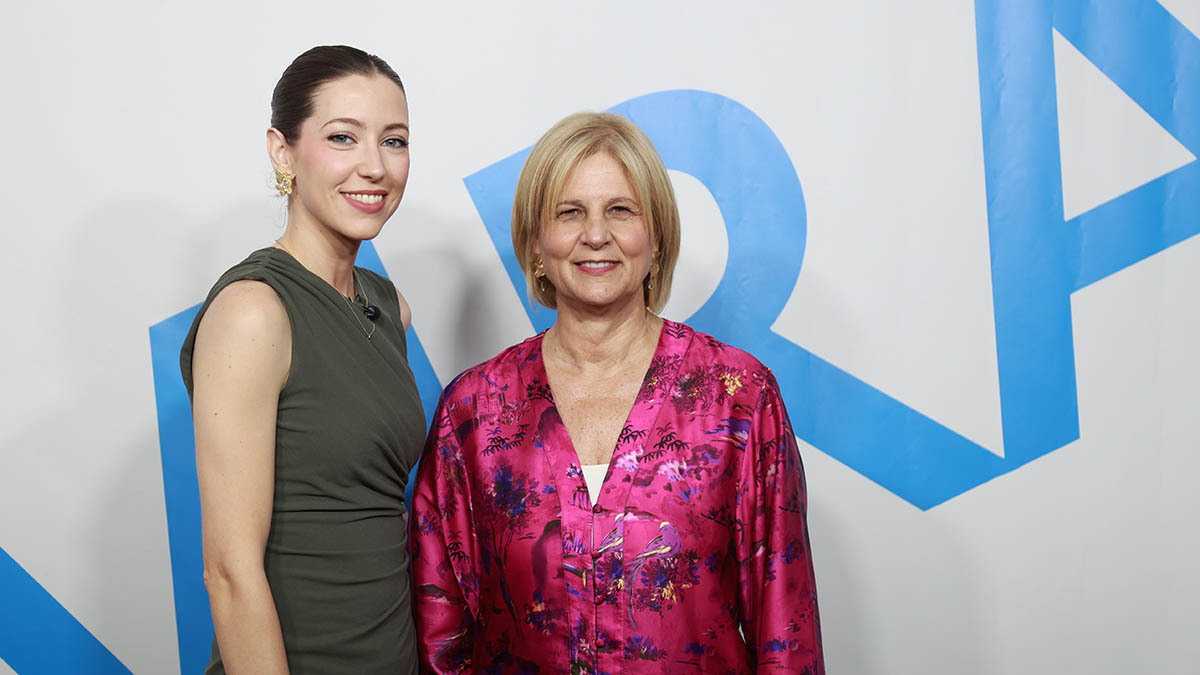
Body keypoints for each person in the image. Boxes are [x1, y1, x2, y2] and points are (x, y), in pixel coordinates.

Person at [409, 112, 824, 673]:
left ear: (656, 238)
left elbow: (786, 632)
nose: (596, 234)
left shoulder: (739, 399)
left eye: (620, 210)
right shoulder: (475, 411)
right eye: (569, 212)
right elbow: (441, 631)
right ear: (537, 241)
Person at [179, 45, 423, 674]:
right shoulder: (254, 310)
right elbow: (229, 571)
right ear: (282, 151)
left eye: (393, 141)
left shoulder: (388, 306)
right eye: (343, 138)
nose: (374, 167)